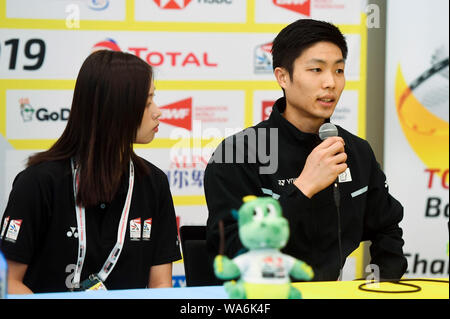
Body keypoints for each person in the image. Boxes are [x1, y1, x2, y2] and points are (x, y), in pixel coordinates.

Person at [204, 19, 407, 281]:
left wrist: (381, 287)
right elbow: (231, 250)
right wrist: (303, 188)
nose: (330, 83)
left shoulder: (356, 151)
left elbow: (387, 227)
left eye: (339, 70)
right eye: (316, 70)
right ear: (283, 77)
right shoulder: (236, 154)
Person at [0, 50, 181, 293]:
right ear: (116, 108)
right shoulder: (39, 182)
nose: (158, 111)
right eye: (147, 102)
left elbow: (161, 285)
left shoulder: (154, 182)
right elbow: (9, 282)